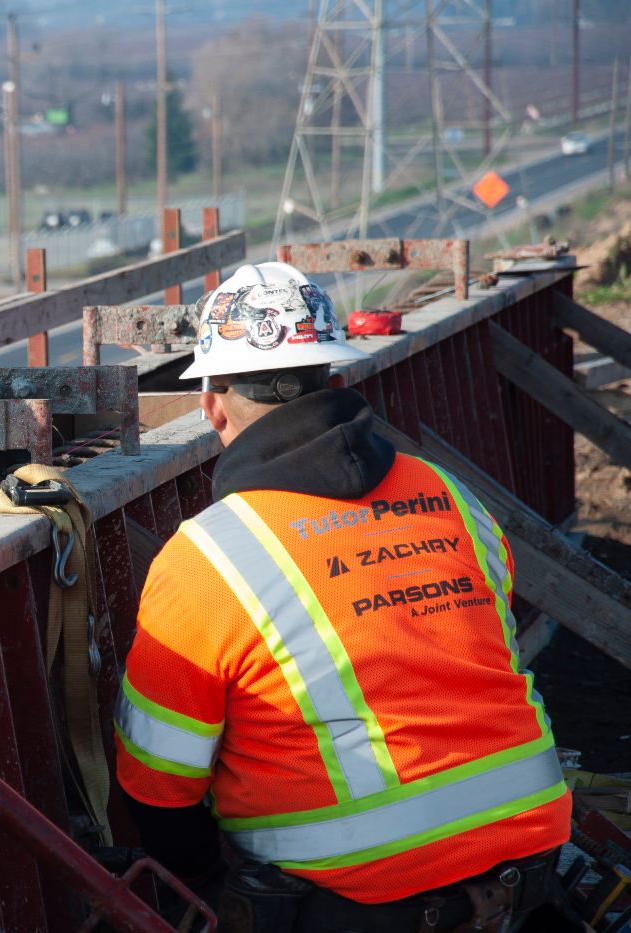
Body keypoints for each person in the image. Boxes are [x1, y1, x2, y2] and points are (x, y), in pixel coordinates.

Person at [113, 262, 572, 932]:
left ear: (211, 404)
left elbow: (158, 784)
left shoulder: (206, 558)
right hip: (529, 863)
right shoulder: (450, 495)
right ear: (334, 382)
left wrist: (208, 890)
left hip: (354, 901)